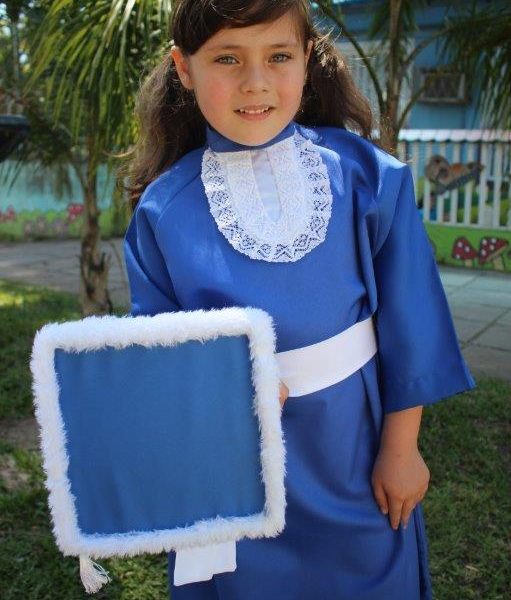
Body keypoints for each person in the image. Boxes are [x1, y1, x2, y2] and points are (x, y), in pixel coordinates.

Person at [122, 1, 476, 598]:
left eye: (278, 56)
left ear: (307, 59)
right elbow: (158, 357)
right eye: (227, 59)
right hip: (234, 471)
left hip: (355, 456)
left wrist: (402, 448)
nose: (255, 82)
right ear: (184, 69)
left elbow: (412, 320)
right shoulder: (161, 213)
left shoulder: (368, 178)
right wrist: (219, 386)